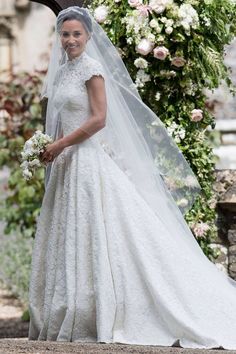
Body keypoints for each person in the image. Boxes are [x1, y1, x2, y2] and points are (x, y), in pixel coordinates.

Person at [28, 6, 236, 349]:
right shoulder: (63, 72)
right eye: (65, 34)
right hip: (67, 163)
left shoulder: (92, 70)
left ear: (88, 37)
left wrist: (61, 144)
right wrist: (48, 147)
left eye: (77, 34)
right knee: (72, 232)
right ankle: (76, 309)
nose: (70, 40)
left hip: (87, 161)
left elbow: (99, 119)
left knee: (110, 232)